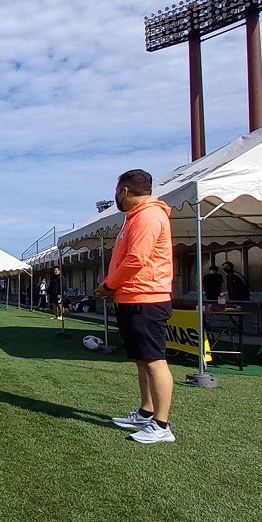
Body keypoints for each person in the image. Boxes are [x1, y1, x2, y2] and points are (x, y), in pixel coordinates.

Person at [94, 169, 176, 444]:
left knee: (154, 361)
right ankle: (146, 412)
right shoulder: (135, 218)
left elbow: (136, 260)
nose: (115, 198)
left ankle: (161, 425)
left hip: (146, 298)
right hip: (132, 297)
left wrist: (108, 285)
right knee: (143, 360)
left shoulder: (149, 216)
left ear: (124, 191)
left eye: (116, 192)